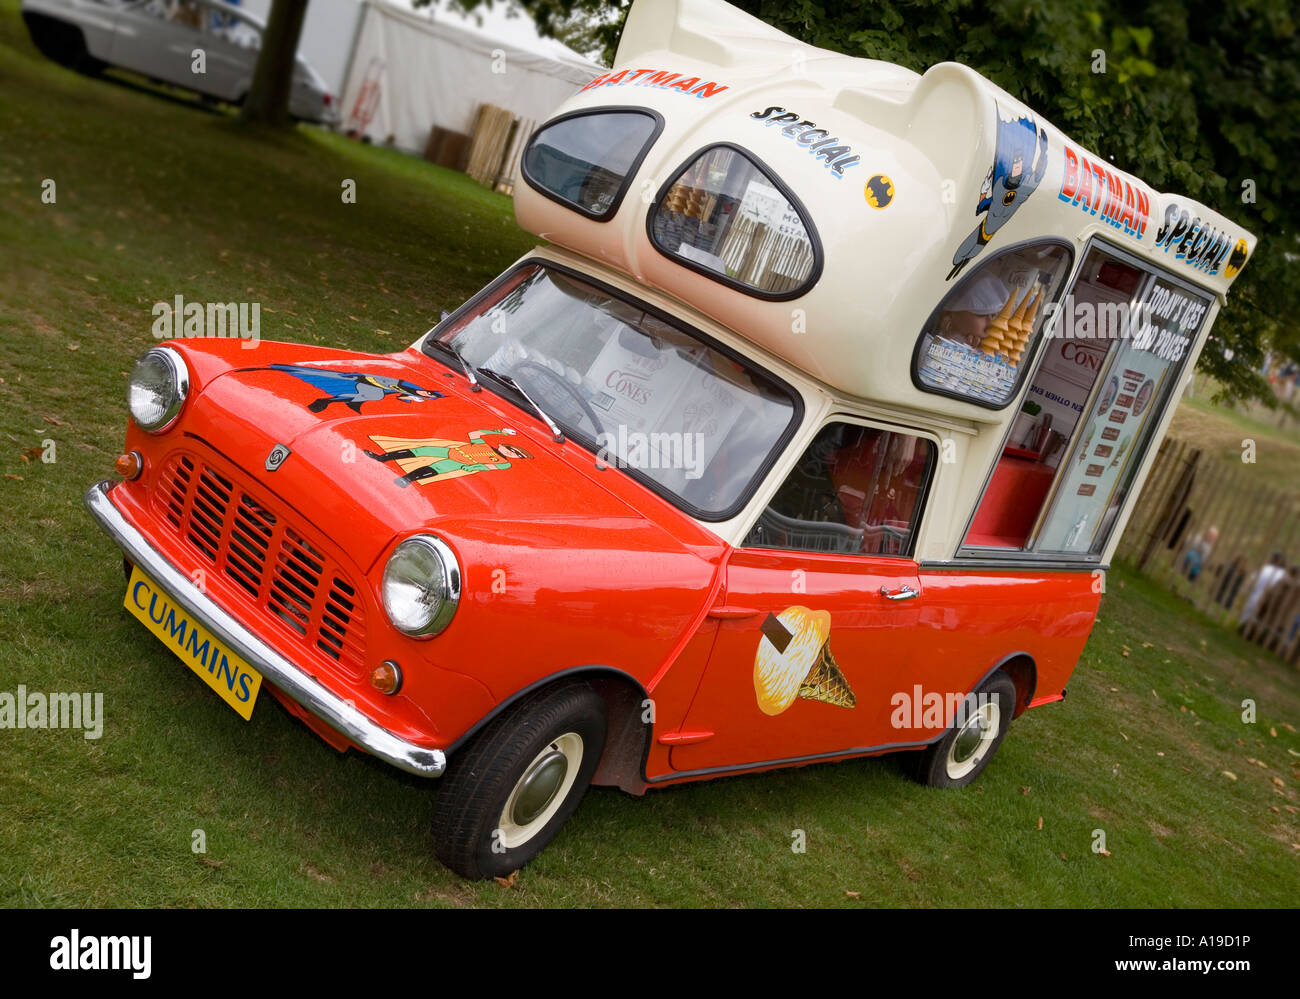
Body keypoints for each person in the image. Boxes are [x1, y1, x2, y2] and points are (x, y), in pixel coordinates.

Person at [935, 272, 1012, 349]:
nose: (990, 324)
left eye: (993, 315)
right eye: (981, 315)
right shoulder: (934, 340)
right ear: (955, 312)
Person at [1238, 552, 1287, 635]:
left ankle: (1243, 629)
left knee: (1247, 616)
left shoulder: (1264, 568)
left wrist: (1246, 591)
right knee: (1260, 620)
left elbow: (1252, 581)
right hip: (1269, 601)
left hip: (1254, 596)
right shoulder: (1283, 574)